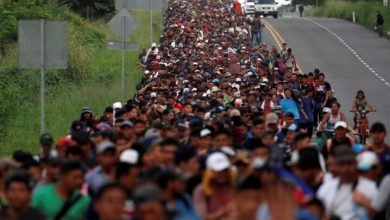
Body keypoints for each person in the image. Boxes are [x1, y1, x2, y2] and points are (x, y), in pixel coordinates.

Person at [317, 146, 378, 220]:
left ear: (356, 164)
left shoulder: (371, 188)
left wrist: (366, 203)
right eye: (342, 164)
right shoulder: (326, 189)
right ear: (337, 166)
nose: (346, 169)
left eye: (349, 164)